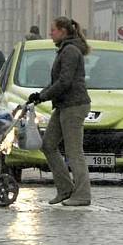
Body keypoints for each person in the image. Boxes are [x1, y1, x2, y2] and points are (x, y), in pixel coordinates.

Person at [28, 16, 92, 206]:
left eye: (53, 30)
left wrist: (44, 96)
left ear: (63, 31)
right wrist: (40, 94)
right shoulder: (65, 50)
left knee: (74, 152)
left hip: (74, 105)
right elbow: (57, 81)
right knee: (47, 144)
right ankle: (65, 189)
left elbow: (65, 82)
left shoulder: (70, 51)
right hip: (64, 104)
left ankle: (82, 195)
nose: (50, 33)